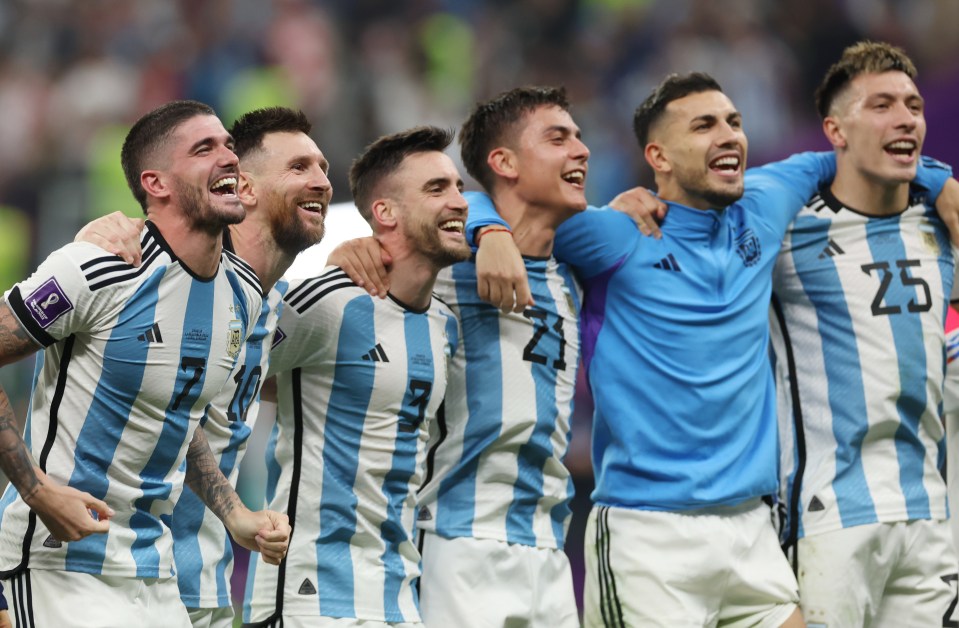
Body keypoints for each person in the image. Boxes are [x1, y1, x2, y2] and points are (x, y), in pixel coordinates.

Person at [466, 72, 955, 627]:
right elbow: (487, 204)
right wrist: (490, 233)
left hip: (752, 531)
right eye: (704, 126)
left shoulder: (767, 201)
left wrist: (940, 182)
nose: (729, 135)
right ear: (660, 156)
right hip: (649, 534)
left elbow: (845, 157)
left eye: (735, 122)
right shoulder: (613, 235)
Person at [331, 86, 659, 626]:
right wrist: (358, 253)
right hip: (456, 544)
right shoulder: (442, 270)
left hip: (552, 549)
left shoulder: (571, 278)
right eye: (559, 138)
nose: (582, 150)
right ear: (503, 162)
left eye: (578, 137)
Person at [0, 100, 290, 627]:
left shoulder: (242, 297)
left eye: (228, 145)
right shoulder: (100, 267)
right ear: (156, 183)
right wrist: (37, 491)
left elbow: (176, 414)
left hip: (154, 575)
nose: (229, 158)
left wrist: (235, 514)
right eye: (205, 149)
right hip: (59, 565)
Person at [76, 106, 333, 628]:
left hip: (204, 584)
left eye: (324, 168)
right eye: (300, 167)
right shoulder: (153, 277)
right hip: (112, 578)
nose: (322, 182)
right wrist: (94, 239)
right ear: (245, 187)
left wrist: (360, 252)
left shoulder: (273, 308)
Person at [242, 126, 470, 627]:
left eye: (457, 187)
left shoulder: (444, 327)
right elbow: (230, 373)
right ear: (384, 212)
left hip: (398, 595)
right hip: (310, 591)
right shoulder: (330, 301)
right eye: (437, 189)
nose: (459, 201)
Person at [770, 41, 958, 626]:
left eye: (913, 105)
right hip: (829, 515)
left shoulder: (943, 224)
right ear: (836, 130)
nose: (905, 118)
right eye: (880, 105)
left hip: (931, 517)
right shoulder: (788, 234)